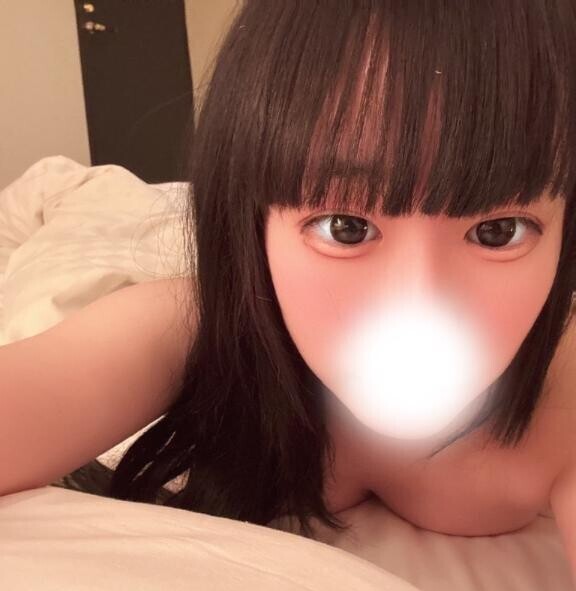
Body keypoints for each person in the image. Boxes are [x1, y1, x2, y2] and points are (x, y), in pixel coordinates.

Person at [31, 1, 576, 542]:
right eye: (346, 227)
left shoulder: (565, 395)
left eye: (498, 231)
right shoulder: (189, 329)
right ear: (251, 219)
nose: (420, 304)